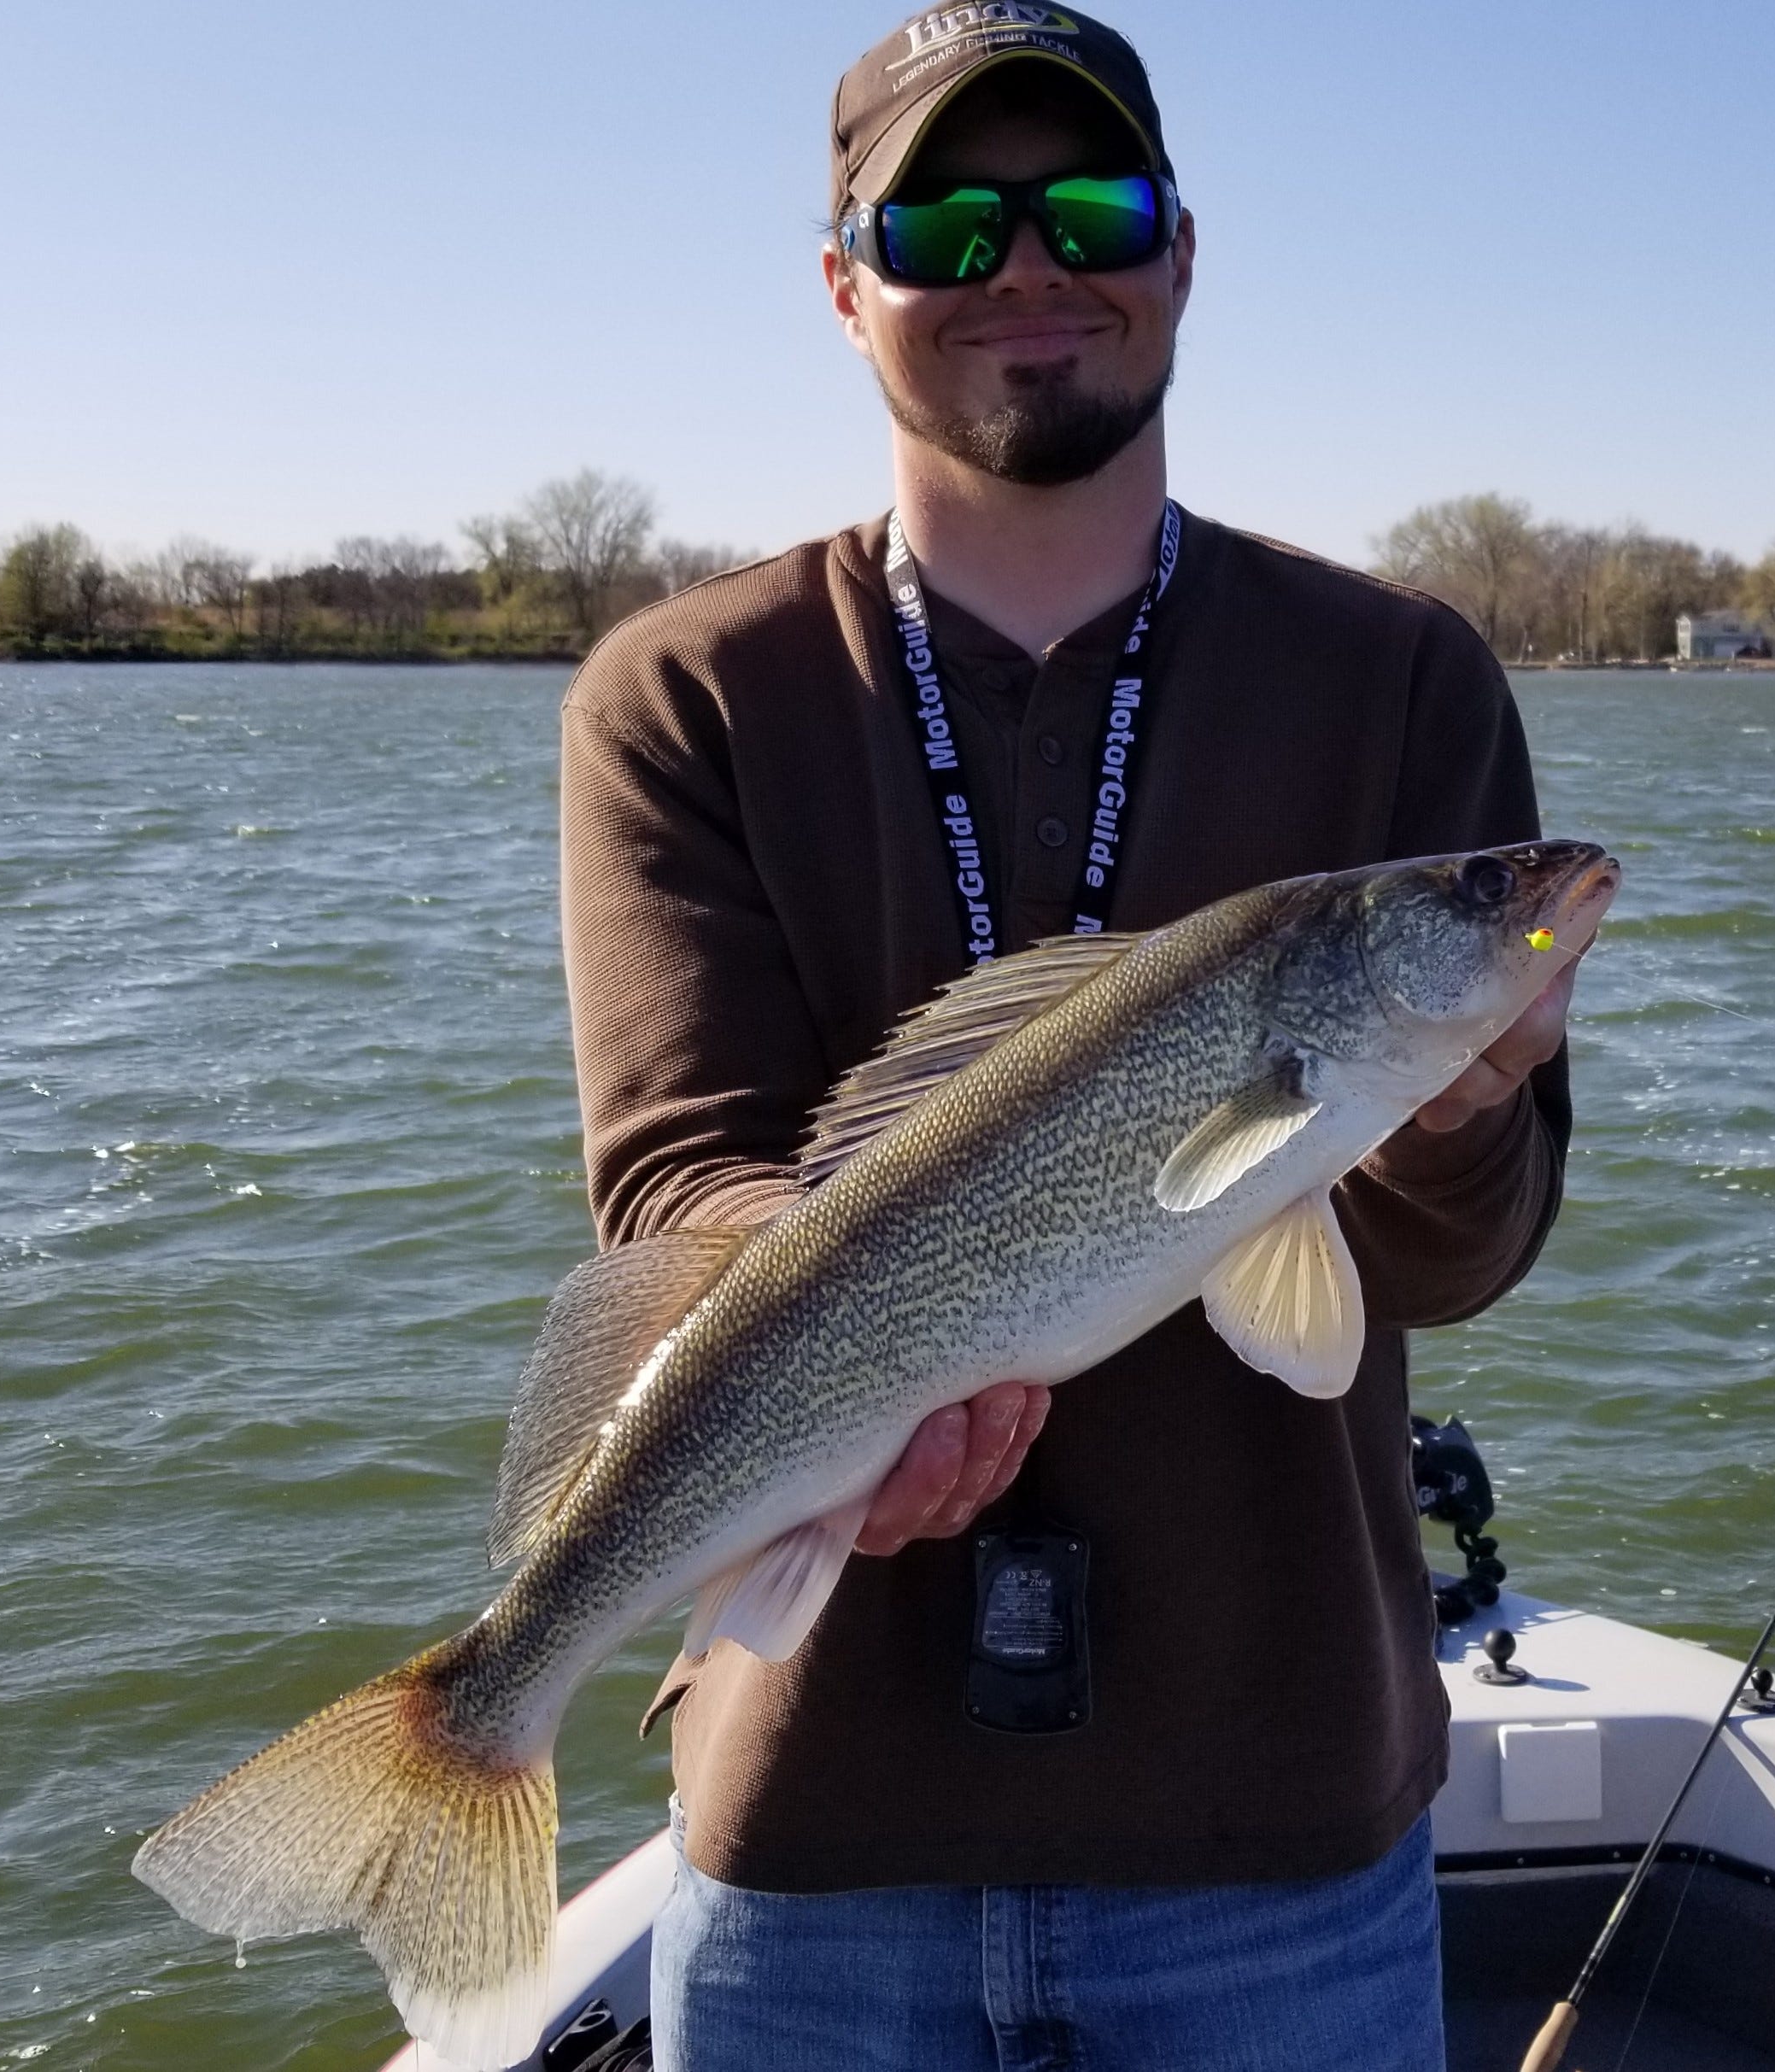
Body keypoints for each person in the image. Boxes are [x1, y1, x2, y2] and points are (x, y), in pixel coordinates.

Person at [557, 9, 1582, 2066]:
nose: (1027, 265)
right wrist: (858, 1375)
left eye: (1089, 205)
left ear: (1182, 253)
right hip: (812, 1834)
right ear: (847, 290)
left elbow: (1458, 1266)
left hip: (1283, 1841)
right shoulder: (677, 692)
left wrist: (1454, 1110)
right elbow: (674, 1178)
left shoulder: (1398, 679)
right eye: (943, 221)